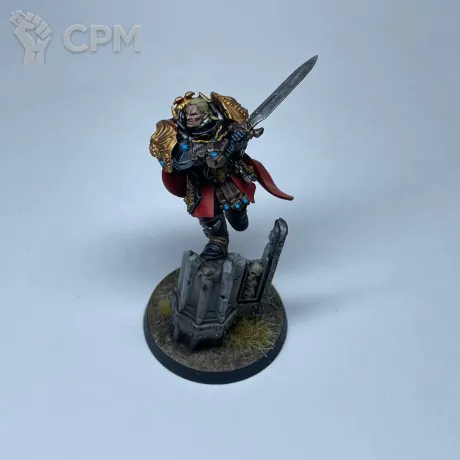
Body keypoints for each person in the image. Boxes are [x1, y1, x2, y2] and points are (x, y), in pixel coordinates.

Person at [149, 91, 293, 260]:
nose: (189, 118)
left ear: (205, 114)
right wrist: (202, 154)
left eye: (193, 114)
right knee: (208, 216)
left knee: (238, 214)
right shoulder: (180, 135)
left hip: (226, 176)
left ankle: (238, 213)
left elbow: (238, 149)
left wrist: (239, 140)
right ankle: (218, 241)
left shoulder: (222, 126)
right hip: (201, 182)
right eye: (187, 114)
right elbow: (178, 162)